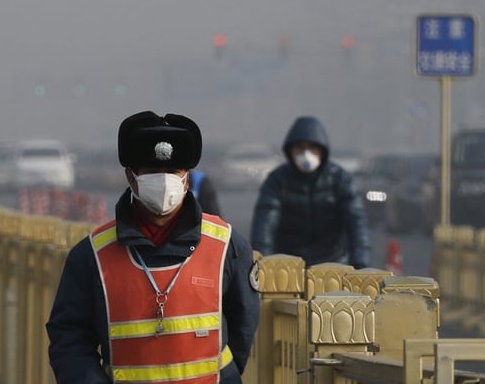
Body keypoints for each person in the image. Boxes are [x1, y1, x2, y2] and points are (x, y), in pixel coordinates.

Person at [47, 111, 259, 383]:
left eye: (173, 171)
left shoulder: (227, 246)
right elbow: (70, 340)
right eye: (152, 172)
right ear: (131, 177)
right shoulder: (92, 256)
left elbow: (243, 329)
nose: (164, 180)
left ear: (186, 178)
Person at [250, 116, 369, 268]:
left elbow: (357, 224)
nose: (306, 154)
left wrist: (360, 263)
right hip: (289, 267)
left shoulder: (340, 180)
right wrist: (262, 264)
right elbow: (265, 225)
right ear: (290, 150)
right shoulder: (277, 181)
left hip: (333, 264)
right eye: (300, 148)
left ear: (322, 150)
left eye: (312, 148)